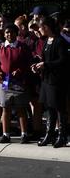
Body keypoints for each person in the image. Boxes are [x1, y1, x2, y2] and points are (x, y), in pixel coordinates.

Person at [0, 23, 33, 143]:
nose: (9, 34)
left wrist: (20, 71)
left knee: (21, 108)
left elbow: (29, 63)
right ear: (4, 34)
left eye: (12, 32)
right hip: (4, 82)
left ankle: (24, 134)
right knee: (5, 108)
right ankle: (5, 134)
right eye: (7, 32)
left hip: (19, 82)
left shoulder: (22, 47)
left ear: (16, 33)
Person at [32, 16, 69, 148]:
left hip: (57, 82)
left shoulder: (60, 41)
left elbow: (63, 61)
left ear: (46, 27)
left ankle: (62, 136)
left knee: (59, 108)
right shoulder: (47, 40)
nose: (39, 30)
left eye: (40, 27)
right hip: (46, 80)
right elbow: (44, 59)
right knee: (49, 109)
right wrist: (37, 66)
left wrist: (45, 65)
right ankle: (49, 134)